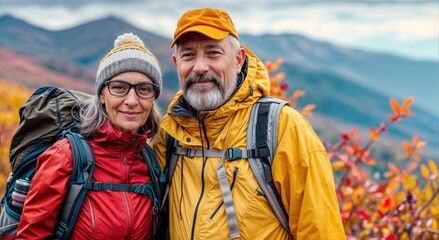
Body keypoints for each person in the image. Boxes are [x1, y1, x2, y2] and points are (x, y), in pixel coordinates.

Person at [152, 8, 346, 240]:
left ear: (238, 59)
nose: (200, 66)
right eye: (188, 55)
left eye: (213, 53)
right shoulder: (170, 133)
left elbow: (320, 232)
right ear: (176, 63)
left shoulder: (282, 127)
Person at [15, 33, 162, 239]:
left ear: (154, 97)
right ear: (102, 95)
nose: (131, 100)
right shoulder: (66, 156)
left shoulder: (149, 160)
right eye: (119, 88)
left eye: (144, 89)